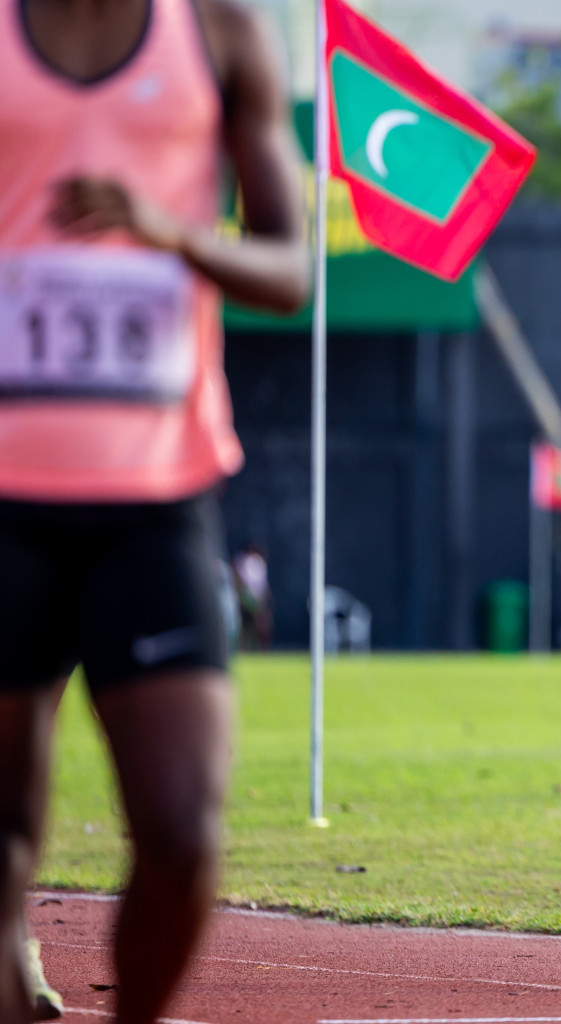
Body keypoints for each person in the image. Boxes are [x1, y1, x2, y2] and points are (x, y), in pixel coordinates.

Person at [0, 2, 308, 1022]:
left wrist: (166, 228)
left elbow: (291, 271)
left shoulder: (216, 31)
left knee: (182, 835)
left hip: (153, 497)